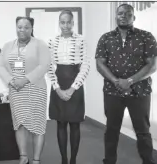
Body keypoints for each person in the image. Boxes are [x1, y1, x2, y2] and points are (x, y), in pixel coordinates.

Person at [95, 4, 157, 164]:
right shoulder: (106, 38)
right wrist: (117, 81)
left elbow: (152, 65)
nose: (123, 16)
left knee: (143, 131)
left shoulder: (146, 37)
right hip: (112, 91)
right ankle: (109, 161)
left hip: (140, 92)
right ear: (116, 16)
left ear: (134, 17)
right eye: (120, 13)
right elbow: (100, 64)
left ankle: (148, 161)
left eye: (128, 14)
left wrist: (130, 81)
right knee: (111, 130)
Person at [0, 16, 51, 164]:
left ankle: (36, 159)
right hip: (16, 90)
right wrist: (10, 80)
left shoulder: (41, 45)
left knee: (37, 125)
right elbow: (0, 66)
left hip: (36, 89)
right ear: (16, 27)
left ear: (32, 28)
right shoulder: (8, 46)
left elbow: (44, 65)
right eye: (19, 26)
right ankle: (23, 156)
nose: (22, 30)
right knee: (19, 123)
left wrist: (25, 79)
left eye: (26, 27)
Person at [47, 10, 90, 164]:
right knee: (60, 123)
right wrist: (57, 88)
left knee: (75, 123)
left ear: (73, 23)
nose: (65, 25)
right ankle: (64, 159)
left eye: (68, 22)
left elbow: (85, 65)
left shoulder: (81, 40)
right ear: (59, 23)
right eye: (62, 22)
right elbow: (49, 66)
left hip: (75, 85)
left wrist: (73, 88)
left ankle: (73, 160)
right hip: (58, 83)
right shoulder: (52, 40)